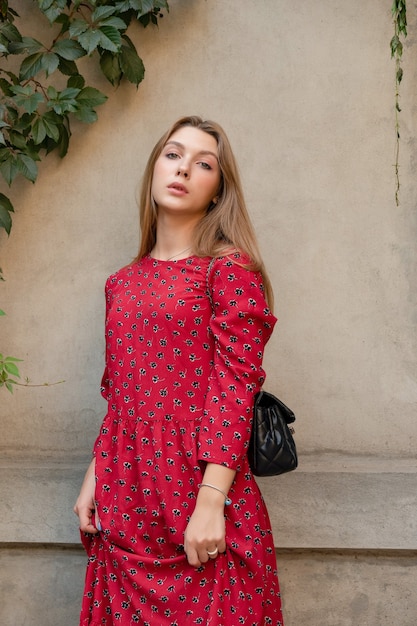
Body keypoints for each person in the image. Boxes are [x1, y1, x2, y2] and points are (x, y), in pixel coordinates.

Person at [74, 115, 284, 625]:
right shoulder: (120, 283)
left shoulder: (228, 271)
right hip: (127, 494)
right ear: (154, 170)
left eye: (203, 163)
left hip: (200, 492)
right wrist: (94, 475)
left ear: (218, 190)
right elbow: (121, 393)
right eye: (173, 155)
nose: (183, 169)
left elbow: (237, 389)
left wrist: (212, 503)